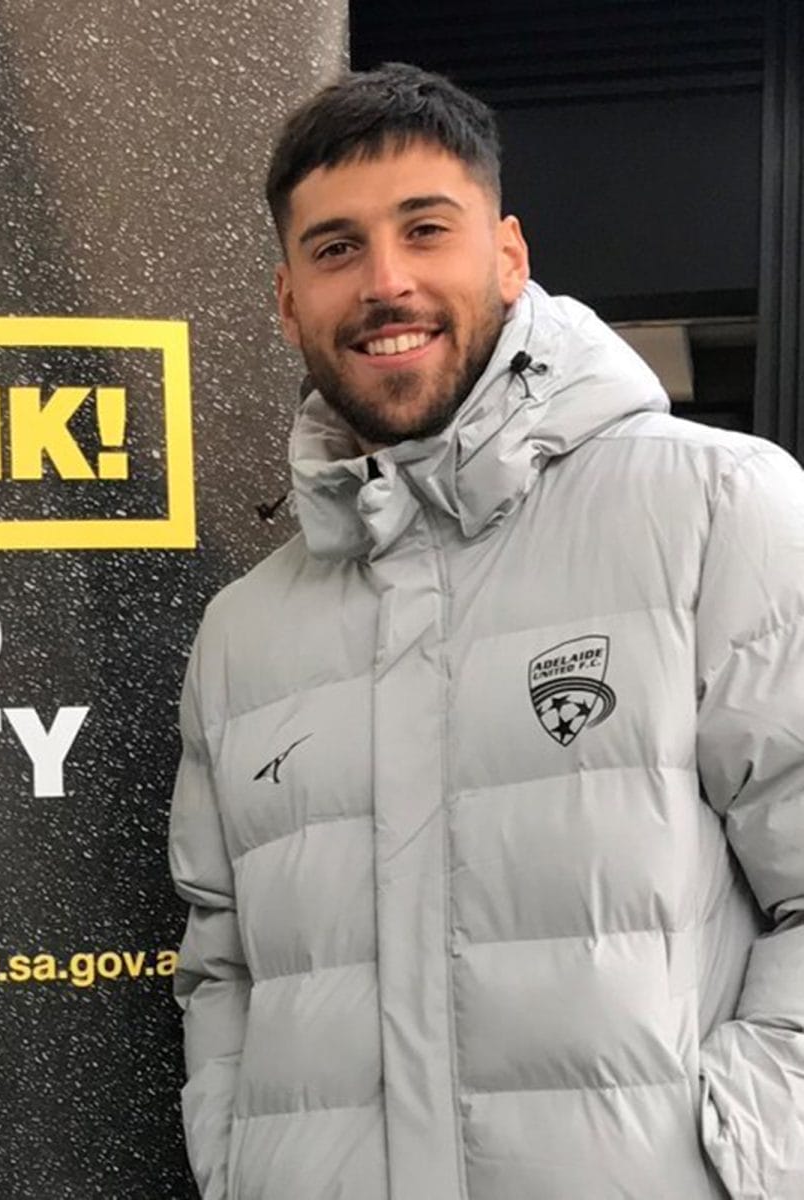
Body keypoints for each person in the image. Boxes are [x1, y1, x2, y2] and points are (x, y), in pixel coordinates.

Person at [170, 63, 804, 1200]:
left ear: (508, 255)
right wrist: (236, 1165)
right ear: (288, 301)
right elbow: (224, 966)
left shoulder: (716, 510)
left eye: (426, 229)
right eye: (336, 248)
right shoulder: (242, 633)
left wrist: (744, 1162)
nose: (387, 281)